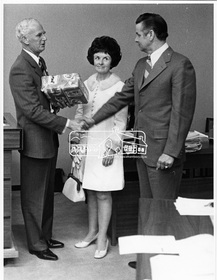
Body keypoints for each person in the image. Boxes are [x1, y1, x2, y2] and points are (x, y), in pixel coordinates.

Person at [81, 13, 196, 266]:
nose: (135, 39)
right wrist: (93, 118)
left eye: (137, 34)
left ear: (150, 34)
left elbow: (182, 112)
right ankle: (150, 258)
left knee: (163, 207)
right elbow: (122, 98)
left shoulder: (179, 64)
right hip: (143, 149)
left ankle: (165, 264)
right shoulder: (141, 65)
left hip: (164, 152)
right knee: (148, 206)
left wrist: (172, 151)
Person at [9, 18, 82, 261]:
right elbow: (31, 110)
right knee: (34, 196)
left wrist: (61, 97)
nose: (44, 38)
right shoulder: (20, 67)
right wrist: (67, 123)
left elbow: (42, 100)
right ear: (24, 39)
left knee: (47, 193)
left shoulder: (38, 62)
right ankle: (37, 244)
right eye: (39, 34)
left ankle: (45, 236)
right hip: (36, 141)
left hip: (46, 138)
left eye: (44, 33)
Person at [73, 36, 128, 259]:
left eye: (105, 57)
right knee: (91, 192)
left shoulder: (120, 86)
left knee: (104, 194)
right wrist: (76, 143)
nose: (101, 61)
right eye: (97, 57)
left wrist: (112, 148)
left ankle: (103, 238)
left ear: (112, 60)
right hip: (87, 146)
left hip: (106, 146)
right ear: (92, 58)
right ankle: (92, 232)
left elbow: (121, 123)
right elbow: (80, 114)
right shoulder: (86, 83)